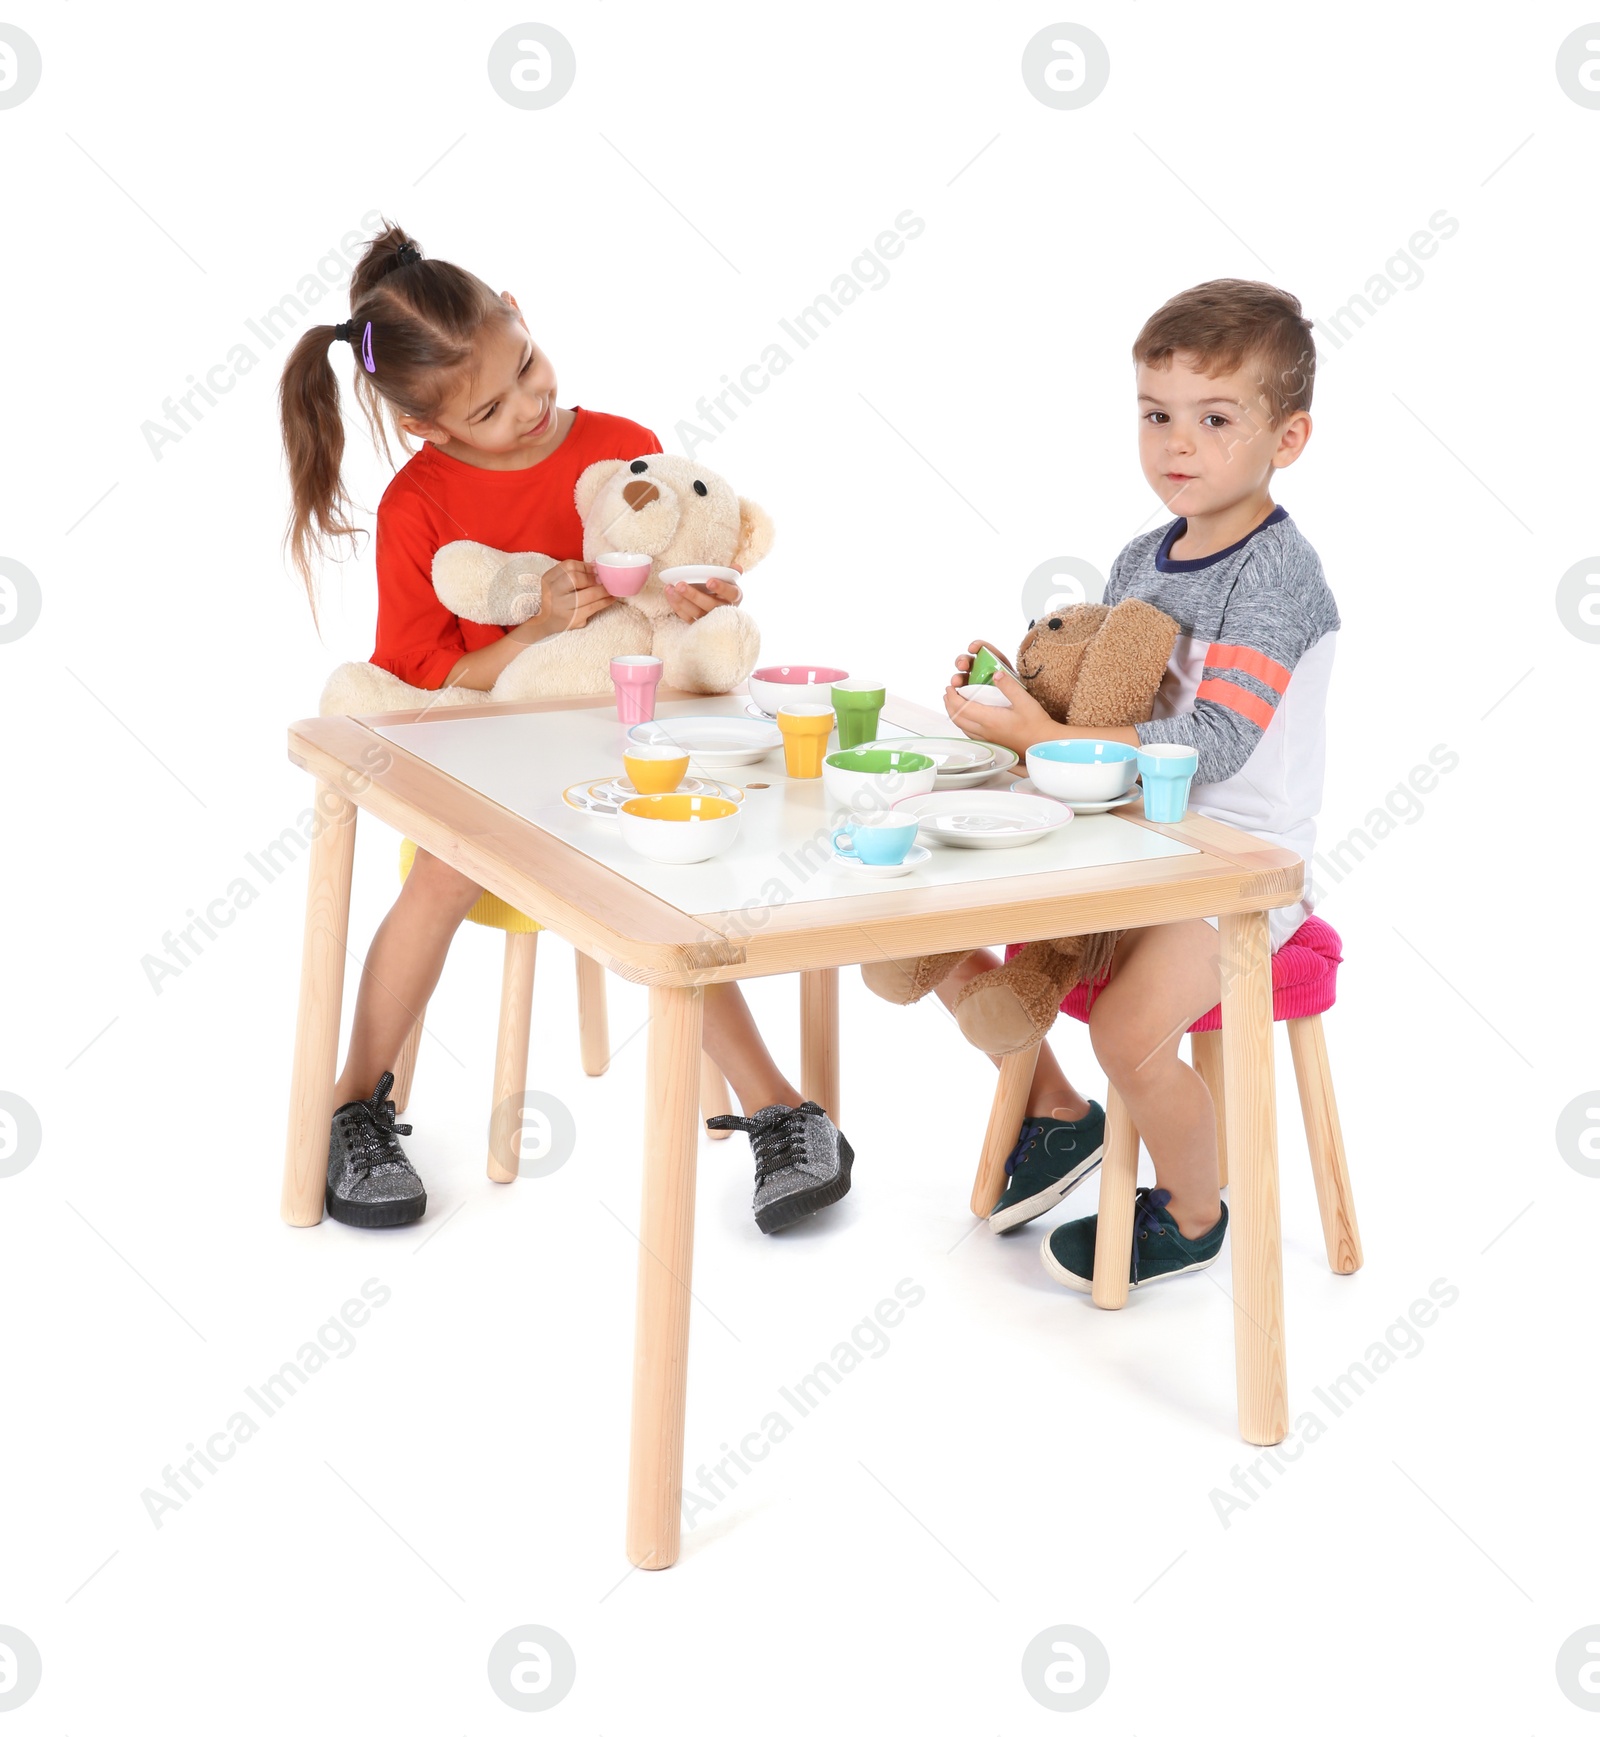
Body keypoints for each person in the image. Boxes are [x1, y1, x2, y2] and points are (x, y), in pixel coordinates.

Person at [278, 223, 851, 1233]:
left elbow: (667, 567)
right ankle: (354, 1109)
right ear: (429, 430)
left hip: (621, 742)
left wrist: (693, 598)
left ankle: (779, 1113)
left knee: (674, 865)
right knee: (444, 871)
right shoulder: (420, 506)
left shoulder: (613, 439)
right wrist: (536, 625)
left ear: (521, 314)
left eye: (528, 368)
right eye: (493, 410)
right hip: (489, 756)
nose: (531, 404)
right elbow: (423, 674)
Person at [941, 278, 1336, 1291]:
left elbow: (1212, 740)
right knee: (927, 914)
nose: (1177, 445)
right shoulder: (1137, 556)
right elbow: (1095, 699)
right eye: (1157, 415)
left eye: (1214, 420)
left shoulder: (1275, 577)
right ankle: (1060, 1119)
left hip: (1236, 870)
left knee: (1126, 1029)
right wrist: (1016, 695)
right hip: (1123, 833)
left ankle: (1194, 1211)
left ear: (1286, 439)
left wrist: (1042, 740)